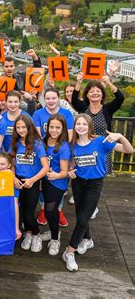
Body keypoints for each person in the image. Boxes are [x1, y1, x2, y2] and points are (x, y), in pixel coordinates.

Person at [62, 114, 133, 272]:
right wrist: (70, 173)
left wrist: (120, 136)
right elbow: (71, 166)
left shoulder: (100, 141)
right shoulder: (72, 145)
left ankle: (69, 252)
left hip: (95, 184)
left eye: (84, 124)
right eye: (78, 124)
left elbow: (129, 150)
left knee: (82, 219)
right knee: (81, 213)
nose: (81, 126)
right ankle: (87, 239)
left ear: (89, 126)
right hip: (78, 183)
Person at [32, 88, 74, 227]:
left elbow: (69, 135)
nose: (50, 101)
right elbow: (38, 135)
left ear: (58, 98)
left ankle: (59, 210)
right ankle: (43, 209)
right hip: (44, 151)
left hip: (59, 151)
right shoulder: (38, 113)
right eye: (48, 98)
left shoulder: (66, 113)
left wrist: (61, 149)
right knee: (43, 183)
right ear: (44, 99)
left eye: (53, 98)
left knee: (59, 182)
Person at [72, 74, 125, 176]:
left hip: (103, 150)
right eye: (91, 91)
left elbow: (120, 98)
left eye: (98, 91)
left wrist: (109, 82)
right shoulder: (83, 108)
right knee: (83, 175)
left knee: (99, 179)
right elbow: (74, 99)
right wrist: (79, 82)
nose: (94, 93)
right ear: (87, 95)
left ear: (102, 94)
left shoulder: (108, 109)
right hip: (85, 150)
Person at [11, 114, 49, 253]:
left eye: (24, 127)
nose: (21, 130)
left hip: (32, 181)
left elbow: (45, 168)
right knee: (20, 211)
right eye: (18, 127)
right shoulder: (15, 143)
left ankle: (37, 234)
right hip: (18, 181)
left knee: (29, 213)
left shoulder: (37, 144)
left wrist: (32, 180)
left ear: (29, 127)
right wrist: (13, 176)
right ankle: (28, 233)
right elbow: (12, 163)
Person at [40, 114, 71, 256]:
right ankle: (53, 231)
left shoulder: (63, 147)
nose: (54, 130)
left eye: (58, 127)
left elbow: (65, 171)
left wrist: (56, 175)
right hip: (45, 181)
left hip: (57, 183)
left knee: (50, 210)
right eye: (51, 127)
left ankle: (55, 238)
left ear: (63, 128)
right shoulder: (44, 141)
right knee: (47, 209)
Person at [0, 152, 22, 241]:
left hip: (8, 214)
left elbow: (15, 205)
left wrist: (16, 228)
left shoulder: (12, 181)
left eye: (2, 164)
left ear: (9, 165)